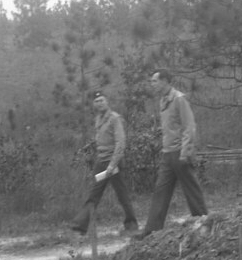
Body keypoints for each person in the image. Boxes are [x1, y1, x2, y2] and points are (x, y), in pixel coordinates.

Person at [135, 69, 208, 238]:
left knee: (192, 191)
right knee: (160, 191)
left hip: (180, 153)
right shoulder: (163, 100)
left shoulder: (178, 99)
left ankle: (205, 223)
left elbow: (189, 127)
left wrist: (185, 152)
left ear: (165, 81)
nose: (152, 84)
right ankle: (151, 230)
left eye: (155, 81)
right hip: (167, 154)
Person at [69, 90, 139, 236]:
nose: (99, 103)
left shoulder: (115, 119)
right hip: (101, 161)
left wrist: (112, 165)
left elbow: (120, 143)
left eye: (102, 100)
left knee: (122, 194)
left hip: (114, 163)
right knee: (94, 193)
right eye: (96, 101)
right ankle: (80, 225)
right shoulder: (98, 119)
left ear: (107, 102)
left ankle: (131, 224)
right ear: (94, 105)